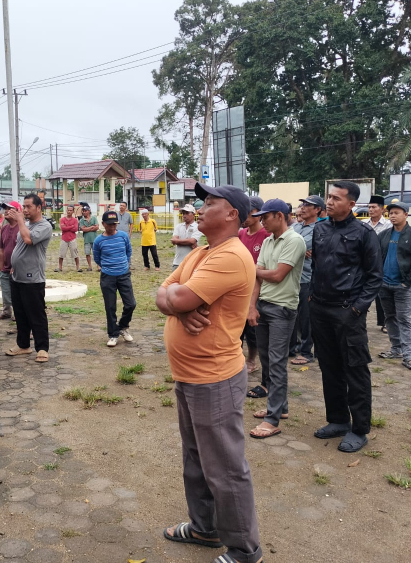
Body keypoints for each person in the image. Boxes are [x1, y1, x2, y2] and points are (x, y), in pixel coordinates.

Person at [156, 183, 262, 563]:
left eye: (210, 203)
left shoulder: (231, 255)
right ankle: (205, 528)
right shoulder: (202, 252)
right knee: (196, 459)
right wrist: (179, 307)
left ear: (232, 213)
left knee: (225, 469)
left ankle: (245, 550)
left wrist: (179, 302)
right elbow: (162, 293)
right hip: (189, 375)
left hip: (214, 379)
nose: (199, 209)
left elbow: (177, 295)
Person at [310, 181, 382, 453]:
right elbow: (317, 266)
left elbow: (374, 277)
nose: (329, 202)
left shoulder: (364, 233)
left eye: (336, 198)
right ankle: (338, 420)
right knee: (329, 367)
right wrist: (312, 298)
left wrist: (356, 309)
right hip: (320, 309)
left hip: (347, 311)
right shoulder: (320, 229)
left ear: (351, 204)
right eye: (328, 197)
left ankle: (360, 429)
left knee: (355, 370)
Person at [246, 199, 306, 439]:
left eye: (265, 217)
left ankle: (272, 420)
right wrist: (252, 306)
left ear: (279, 216)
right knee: (267, 360)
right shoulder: (268, 241)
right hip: (263, 306)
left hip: (282, 309)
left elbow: (278, 275)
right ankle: (280, 407)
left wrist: (254, 270)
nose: (262, 222)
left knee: (277, 362)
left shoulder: (294, 240)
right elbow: (259, 277)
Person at [377, 201, 411, 371]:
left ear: (406, 214)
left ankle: (409, 356)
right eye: (390, 213)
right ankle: (396, 349)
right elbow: (376, 257)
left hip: (402, 285)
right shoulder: (384, 235)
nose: (392, 216)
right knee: (390, 317)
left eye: (396, 213)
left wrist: (408, 282)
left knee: (404, 320)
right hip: (384, 284)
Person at [5, 194, 52, 362]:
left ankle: (42, 348)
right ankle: (23, 345)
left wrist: (19, 220)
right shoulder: (27, 225)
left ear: (39, 208)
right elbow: (20, 246)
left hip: (33, 279)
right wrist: (14, 265)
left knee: (36, 315)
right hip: (17, 276)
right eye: (23, 206)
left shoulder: (44, 226)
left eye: (28, 206)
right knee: (20, 314)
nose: (24, 210)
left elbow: (28, 239)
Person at [288, 195, 323, 366]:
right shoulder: (295, 226)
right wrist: (302, 250)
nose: (302, 208)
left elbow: (300, 246)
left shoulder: (321, 229)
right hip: (291, 277)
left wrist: (306, 250)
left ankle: (306, 352)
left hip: (307, 278)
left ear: (318, 210)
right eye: (302, 204)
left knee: (306, 317)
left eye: (308, 205)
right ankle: (291, 347)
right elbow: (286, 244)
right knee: (291, 314)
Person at [239, 196, 270, 377]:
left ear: (259, 214)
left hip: (257, 287)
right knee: (238, 326)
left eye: (250, 212)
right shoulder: (241, 234)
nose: (246, 216)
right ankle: (238, 358)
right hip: (240, 286)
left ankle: (252, 359)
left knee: (252, 328)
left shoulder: (266, 235)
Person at [94, 210, 135, 347]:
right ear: (103, 224)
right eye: (110, 224)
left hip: (124, 274)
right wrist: (108, 266)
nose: (112, 227)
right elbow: (97, 258)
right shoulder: (99, 241)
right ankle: (113, 334)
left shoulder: (123, 236)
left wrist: (124, 264)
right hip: (107, 276)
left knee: (131, 304)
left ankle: (123, 326)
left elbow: (128, 251)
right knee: (110, 306)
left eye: (114, 224)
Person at [365, 195, 392, 333]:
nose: (371, 210)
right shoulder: (363, 223)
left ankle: (385, 322)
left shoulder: (389, 225)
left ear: (382, 209)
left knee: (382, 295)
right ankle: (359, 320)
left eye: (374, 207)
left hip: (382, 262)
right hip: (364, 263)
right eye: (369, 207)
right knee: (362, 293)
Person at [0, 200, 21, 320]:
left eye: (10, 209)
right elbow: (1, 249)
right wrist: (1, 266)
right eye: (5, 209)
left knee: (17, 293)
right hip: (5, 267)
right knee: (5, 291)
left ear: (18, 211)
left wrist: (16, 266)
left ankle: (18, 313)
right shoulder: (4, 228)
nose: (6, 211)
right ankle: (6, 311)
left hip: (18, 268)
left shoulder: (22, 228)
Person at [171, 204, 202, 271]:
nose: (184, 215)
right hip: (177, 262)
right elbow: (173, 240)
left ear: (193, 214)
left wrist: (178, 241)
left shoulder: (197, 227)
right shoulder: (178, 226)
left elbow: (192, 241)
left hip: (191, 262)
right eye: (183, 213)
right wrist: (188, 242)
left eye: (187, 213)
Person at [57, 205, 81, 273]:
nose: (69, 211)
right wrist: (71, 226)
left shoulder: (75, 220)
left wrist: (67, 227)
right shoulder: (62, 219)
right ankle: (60, 267)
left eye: (70, 210)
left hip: (72, 238)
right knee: (61, 254)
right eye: (68, 210)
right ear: (66, 210)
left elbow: (75, 229)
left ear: (73, 211)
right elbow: (63, 228)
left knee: (75, 254)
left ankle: (78, 267)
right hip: (64, 238)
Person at [79, 205, 99, 271]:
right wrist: (91, 227)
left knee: (96, 253)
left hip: (94, 239)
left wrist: (87, 228)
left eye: (85, 211)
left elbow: (97, 227)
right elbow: (83, 229)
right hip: (87, 239)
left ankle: (98, 266)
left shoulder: (94, 218)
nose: (84, 212)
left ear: (89, 211)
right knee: (87, 253)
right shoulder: (82, 220)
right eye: (83, 211)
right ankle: (90, 266)